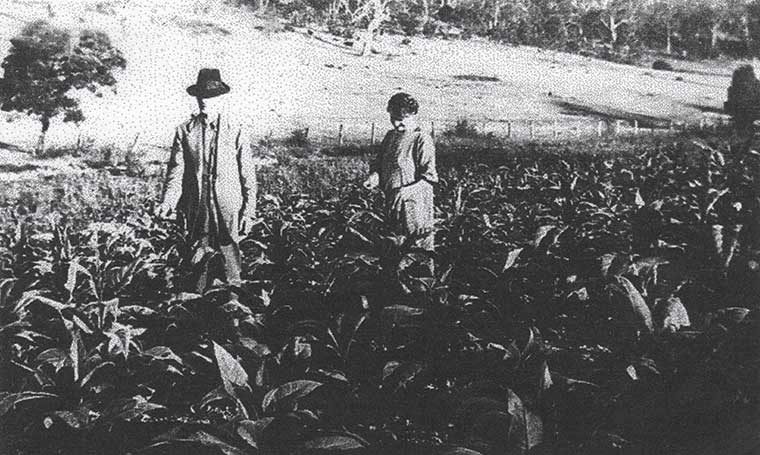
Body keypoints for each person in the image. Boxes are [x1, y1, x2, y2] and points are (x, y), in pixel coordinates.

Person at [156, 68, 257, 295]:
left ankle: (234, 306)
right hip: (197, 207)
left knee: (230, 261)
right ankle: (197, 308)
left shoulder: (237, 130)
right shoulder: (184, 131)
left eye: (210, 96)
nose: (204, 101)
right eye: (201, 96)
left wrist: (249, 212)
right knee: (197, 260)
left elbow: (247, 174)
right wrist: (167, 201)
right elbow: (176, 171)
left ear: (221, 99)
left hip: (227, 206)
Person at [364, 92, 438, 276]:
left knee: (415, 253)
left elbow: (429, 179)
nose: (396, 124)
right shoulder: (391, 137)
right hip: (392, 204)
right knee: (393, 251)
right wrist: (374, 177)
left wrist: (406, 191)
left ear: (413, 115)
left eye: (401, 119)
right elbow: (380, 164)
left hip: (414, 207)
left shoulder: (421, 139)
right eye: (393, 119)